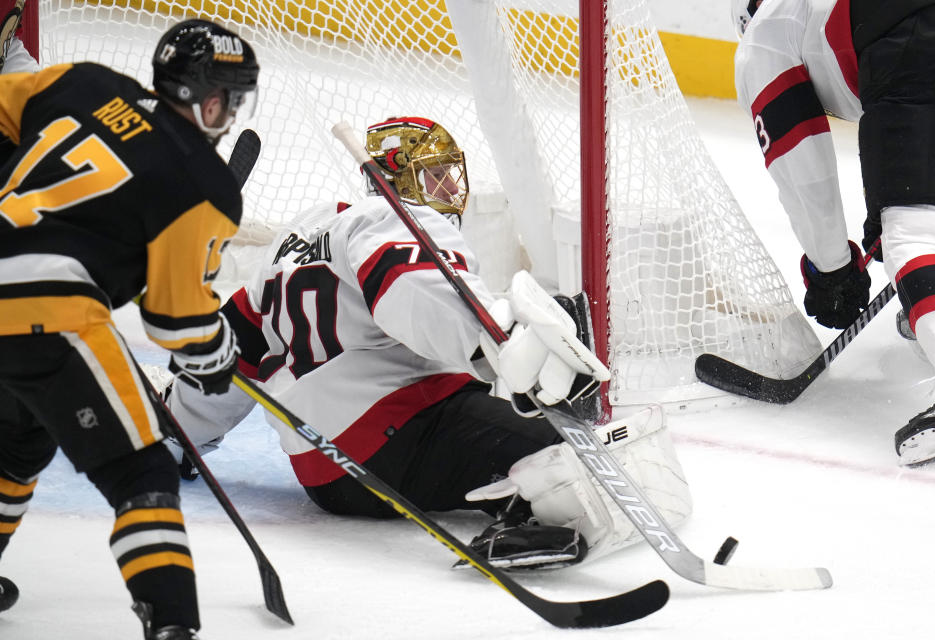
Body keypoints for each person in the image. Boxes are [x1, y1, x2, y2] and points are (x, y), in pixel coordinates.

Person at [163, 116, 692, 570]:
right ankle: (523, 524)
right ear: (393, 180)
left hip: (329, 477)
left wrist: (175, 431)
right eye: (431, 179)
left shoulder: (291, 243)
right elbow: (413, 290)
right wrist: (498, 338)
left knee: (521, 427)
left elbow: (228, 357)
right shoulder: (390, 221)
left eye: (448, 177)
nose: (445, 193)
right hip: (401, 432)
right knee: (578, 462)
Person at [0, 17, 258, 640]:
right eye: (233, 97)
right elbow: (175, 321)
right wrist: (216, 353)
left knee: (18, 441)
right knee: (142, 474)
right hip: (48, 310)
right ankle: (172, 627)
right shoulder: (205, 184)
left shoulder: (81, 83)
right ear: (212, 97)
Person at [730, 0, 935, 466]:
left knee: (914, 231)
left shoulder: (767, 32)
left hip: (915, 42)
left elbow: (802, 165)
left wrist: (832, 267)